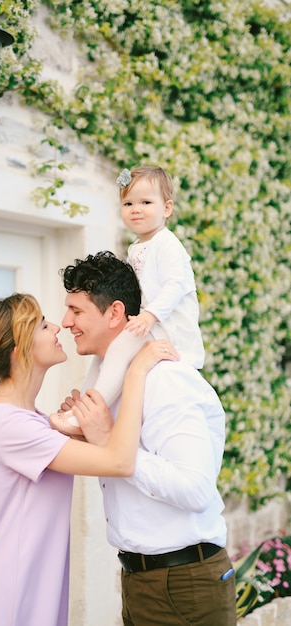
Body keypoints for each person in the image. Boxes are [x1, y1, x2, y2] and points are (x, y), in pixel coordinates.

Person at [0, 292, 177, 626]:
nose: (57, 326)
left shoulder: (22, 419)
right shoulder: (13, 427)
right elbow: (120, 462)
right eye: (42, 324)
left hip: (13, 594)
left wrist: (73, 429)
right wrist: (135, 370)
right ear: (19, 350)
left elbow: (98, 452)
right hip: (4, 604)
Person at [53, 251, 236, 626]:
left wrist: (108, 440)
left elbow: (195, 489)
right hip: (141, 579)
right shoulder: (108, 383)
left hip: (184, 583)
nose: (65, 321)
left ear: (115, 313)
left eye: (76, 309)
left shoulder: (164, 381)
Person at [66, 166, 204, 428]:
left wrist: (150, 316)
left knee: (116, 349)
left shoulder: (167, 244)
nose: (135, 209)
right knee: (104, 353)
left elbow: (175, 285)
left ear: (166, 208)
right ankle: (83, 405)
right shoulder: (136, 247)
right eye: (128, 203)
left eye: (145, 202)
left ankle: (89, 413)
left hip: (166, 325)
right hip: (145, 323)